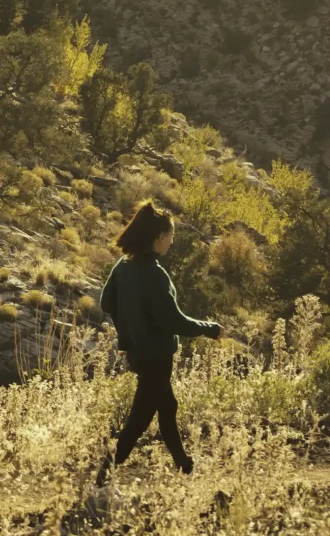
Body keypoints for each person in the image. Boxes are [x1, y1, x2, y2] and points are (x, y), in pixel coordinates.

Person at [95, 200, 222, 487]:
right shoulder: (155, 274)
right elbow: (174, 322)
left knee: (168, 407)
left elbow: (106, 302)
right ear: (158, 238)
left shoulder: (122, 266)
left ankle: (184, 466)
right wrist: (210, 328)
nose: (173, 241)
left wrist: (128, 330)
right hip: (156, 359)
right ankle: (102, 476)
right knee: (138, 422)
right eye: (171, 236)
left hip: (137, 355)